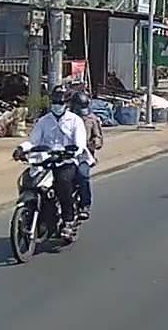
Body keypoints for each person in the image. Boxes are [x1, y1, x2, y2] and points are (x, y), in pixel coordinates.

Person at [14, 88, 90, 240]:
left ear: (66, 104)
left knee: (63, 182)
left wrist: (71, 151)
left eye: (60, 102)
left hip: (66, 161)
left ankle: (68, 221)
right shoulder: (44, 121)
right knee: (28, 180)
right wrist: (21, 149)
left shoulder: (75, 121)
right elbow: (33, 141)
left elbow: (80, 144)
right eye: (54, 102)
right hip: (45, 161)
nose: (57, 105)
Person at [71, 91, 103, 220]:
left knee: (83, 176)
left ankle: (85, 205)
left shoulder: (92, 119)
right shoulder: (67, 118)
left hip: (83, 155)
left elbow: (98, 137)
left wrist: (96, 142)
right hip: (65, 155)